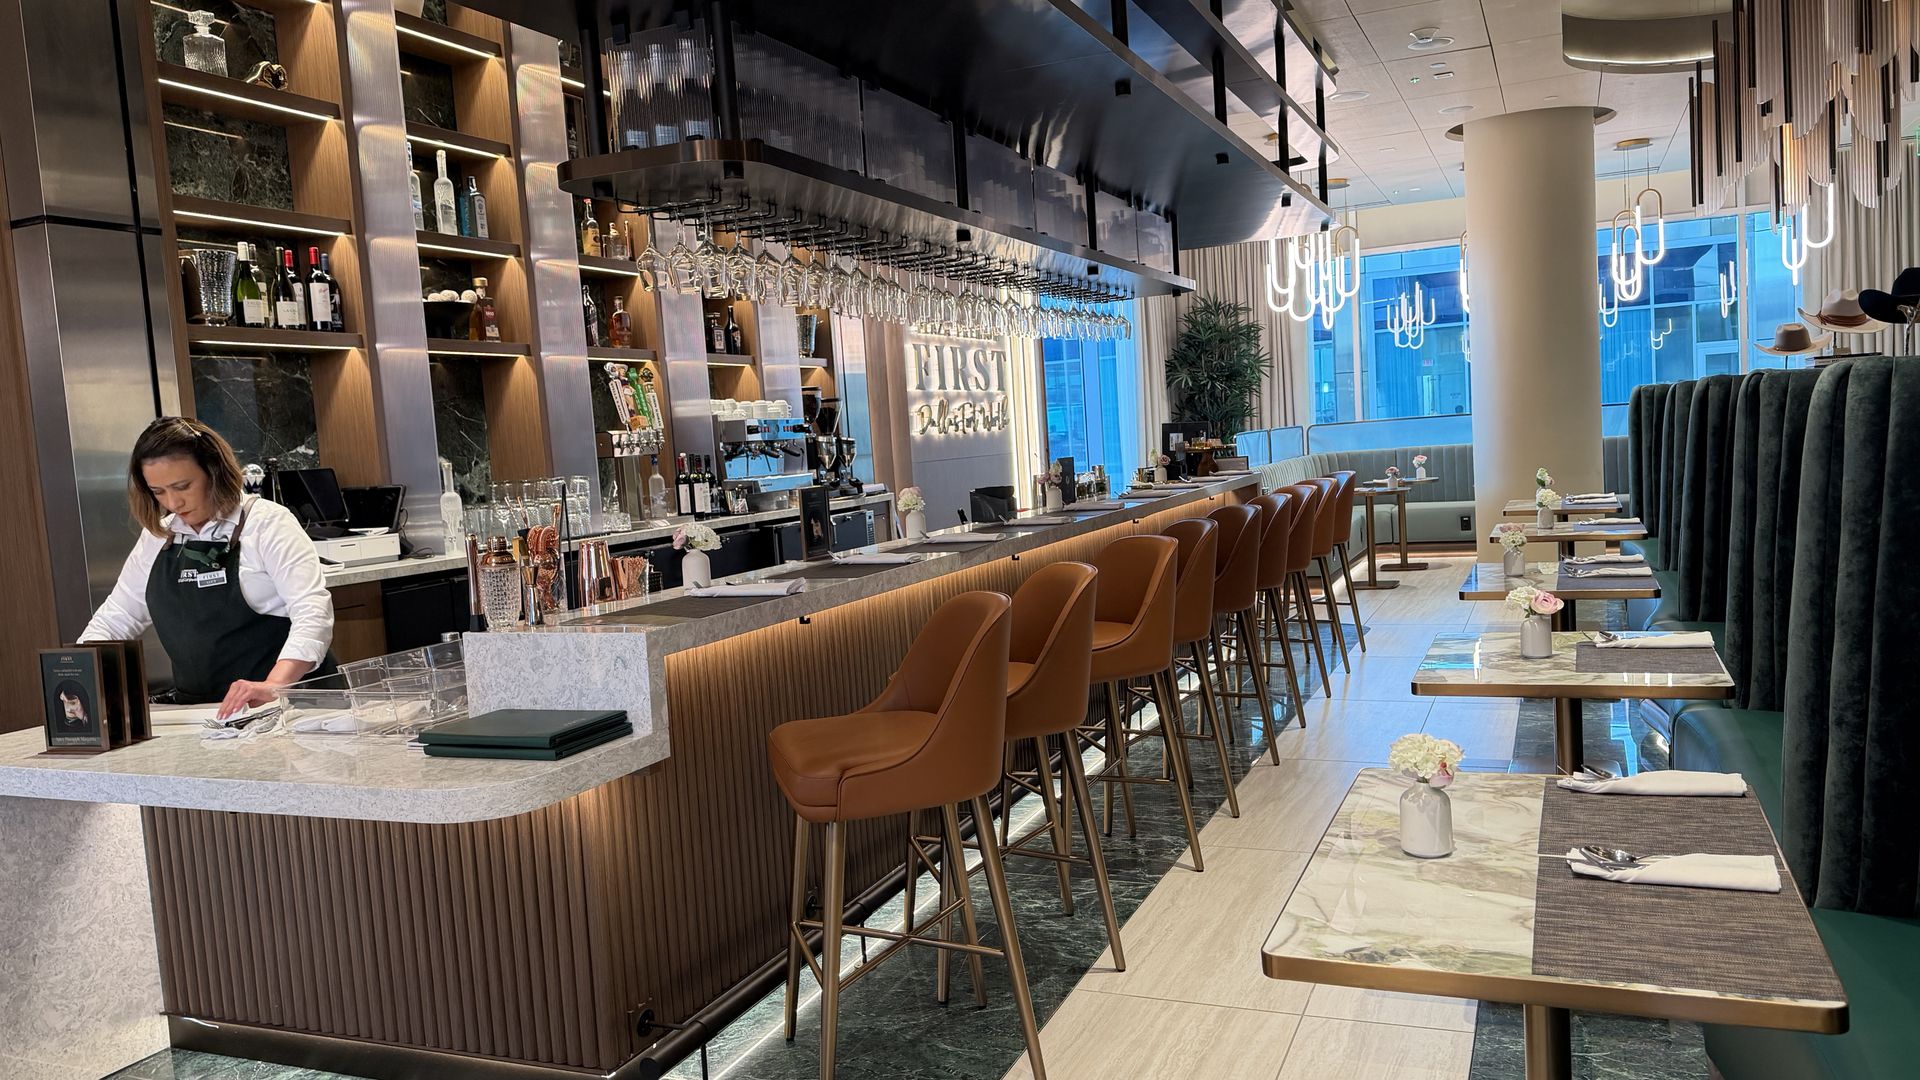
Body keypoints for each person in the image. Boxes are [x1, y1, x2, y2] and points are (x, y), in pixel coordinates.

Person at [81, 417, 335, 718]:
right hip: (205, 715)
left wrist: (273, 685)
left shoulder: (267, 523)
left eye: (183, 486)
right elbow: (117, 618)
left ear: (214, 471)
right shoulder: (158, 537)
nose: (173, 502)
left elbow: (312, 612)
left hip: (291, 707)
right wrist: (74, 673)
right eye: (158, 491)